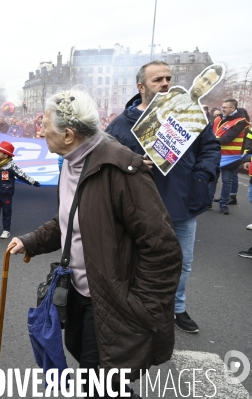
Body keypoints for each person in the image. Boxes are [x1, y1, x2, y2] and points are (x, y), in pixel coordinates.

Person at [9, 90, 181, 398]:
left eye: (45, 123)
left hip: (113, 304)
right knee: (99, 379)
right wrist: (31, 241)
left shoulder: (120, 169)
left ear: (69, 134)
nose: (40, 129)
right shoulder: (70, 162)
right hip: (81, 295)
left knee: (98, 383)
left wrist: (141, 306)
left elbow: (162, 247)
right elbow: (71, 220)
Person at [106, 60, 221, 333]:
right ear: (141, 86)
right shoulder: (121, 125)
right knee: (137, 260)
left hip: (182, 204)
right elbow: (106, 160)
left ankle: (176, 308)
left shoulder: (190, 114)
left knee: (182, 261)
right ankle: (139, 307)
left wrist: (201, 176)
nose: (166, 83)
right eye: (158, 80)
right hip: (140, 208)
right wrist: (132, 162)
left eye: (169, 78)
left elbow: (210, 147)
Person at [132, 64, 222, 173]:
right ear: (198, 78)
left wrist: (200, 179)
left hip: (168, 177)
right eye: (205, 79)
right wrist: (130, 162)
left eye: (209, 83)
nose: (204, 85)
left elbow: (210, 153)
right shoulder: (174, 93)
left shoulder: (200, 120)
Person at [0, 140, 39, 238]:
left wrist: (33, 182)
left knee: (7, 212)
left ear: (6, 155)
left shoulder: (11, 167)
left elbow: (22, 175)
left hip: (6, 193)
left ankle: (6, 230)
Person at [208, 99, 249, 215]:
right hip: (216, 154)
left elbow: (227, 138)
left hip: (231, 157)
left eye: (225, 107)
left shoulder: (240, 122)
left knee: (226, 181)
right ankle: (208, 202)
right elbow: (210, 132)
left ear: (233, 108)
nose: (222, 109)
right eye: (222, 106)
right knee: (212, 180)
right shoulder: (218, 119)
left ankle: (224, 205)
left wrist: (210, 142)